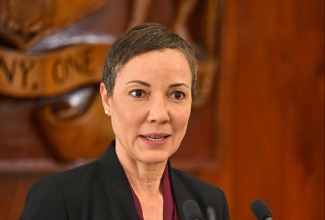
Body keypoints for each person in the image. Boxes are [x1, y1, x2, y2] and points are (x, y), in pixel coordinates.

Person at [20, 23, 230, 220]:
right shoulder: (59, 197)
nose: (159, 115)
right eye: (138, 93)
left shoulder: (210, 202)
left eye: (177, 95)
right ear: (107, 99)